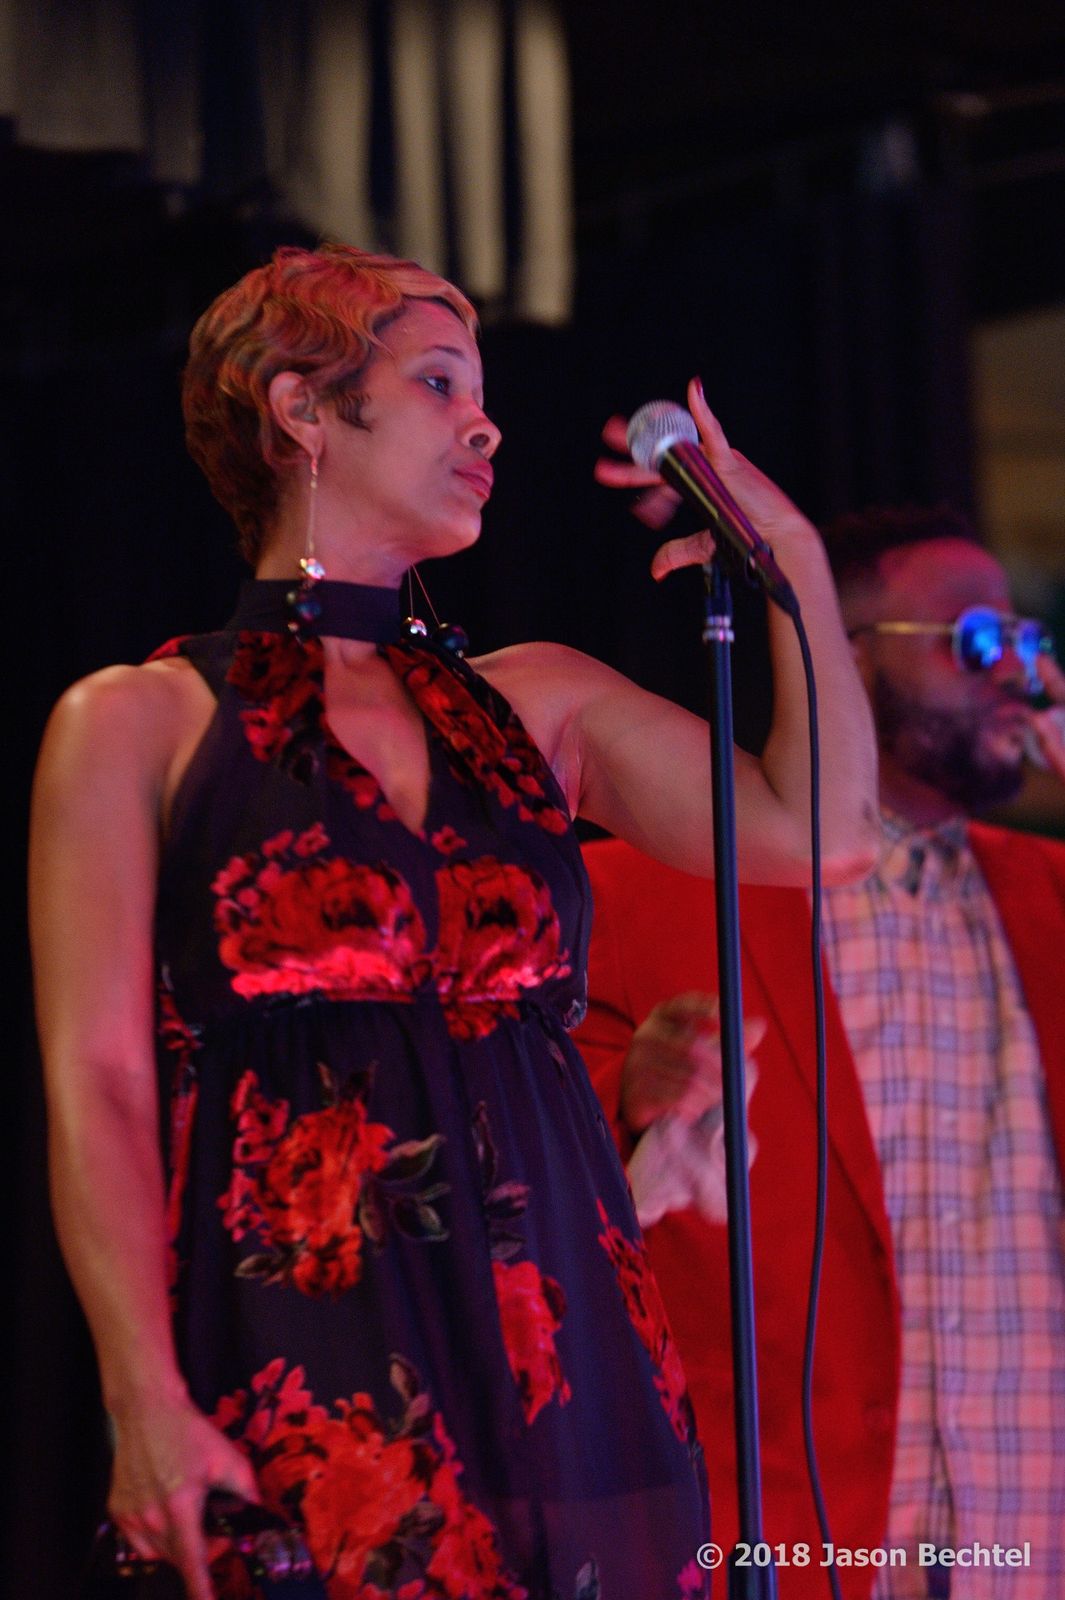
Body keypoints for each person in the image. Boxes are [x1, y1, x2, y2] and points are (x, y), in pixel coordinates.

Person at [28, 242, 877, 1600]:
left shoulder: (538, 704)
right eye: (437, 384)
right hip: (298, 1334)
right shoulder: (136, 722)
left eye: (481, 394)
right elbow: (104, 1085)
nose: (485, 425)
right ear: (303, 408)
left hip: (563, 1332)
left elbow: (818, 831)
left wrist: (795, 566)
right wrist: (140, 1394)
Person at [578, 503, 1065, 1599]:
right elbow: (517, 1194)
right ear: (838, 661)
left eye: (1026, 641)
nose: (1019, 675)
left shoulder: (1049, 899)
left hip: (1030, 1533)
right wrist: (631, 1098)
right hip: (783, 1538)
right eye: (975, 639)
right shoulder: (638, 887)